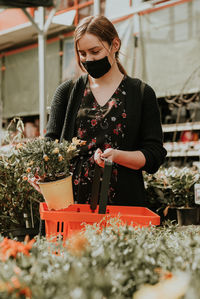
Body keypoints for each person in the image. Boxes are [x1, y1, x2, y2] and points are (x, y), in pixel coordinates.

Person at [45, 15, 167, 207]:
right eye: (82, 54)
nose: (88, 59)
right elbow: (49, 148)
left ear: (115, 45)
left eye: (95, 51)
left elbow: (154, 154)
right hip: (71, 204)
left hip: (123, 204)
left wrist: (118, 156)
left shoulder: (141, 93)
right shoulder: (67, 93)